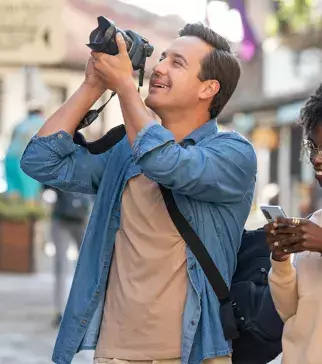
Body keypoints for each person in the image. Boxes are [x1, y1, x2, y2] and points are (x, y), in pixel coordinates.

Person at [21, 23, 257, 364]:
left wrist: (125, 87)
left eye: (177, 63)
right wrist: (93, 86)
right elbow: (41, 161)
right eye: (161, 58)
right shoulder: (124, 149)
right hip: (113, 354)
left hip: (193, 353)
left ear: (209, 88)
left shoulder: (233, 154)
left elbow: (166, 162)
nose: (159, 67)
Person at [264, 83, 322, 364]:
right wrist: (281, 258)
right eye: (313, 146)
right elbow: (291, 313)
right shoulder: (317, 221)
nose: (317, 158)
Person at [49, 188, 92, 328]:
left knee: (82, 265)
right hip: (72, 216)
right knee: (68, 265)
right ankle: (63, 310)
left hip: (75, 217)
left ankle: (65, 310)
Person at [4, 100, 46, 205]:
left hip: (9, 158)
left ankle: (12, 214)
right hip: (27, 160)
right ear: (41, 113)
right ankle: (27, 218)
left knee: (13, 190)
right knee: (30, 193)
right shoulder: (41, 123)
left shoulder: (20, 124)